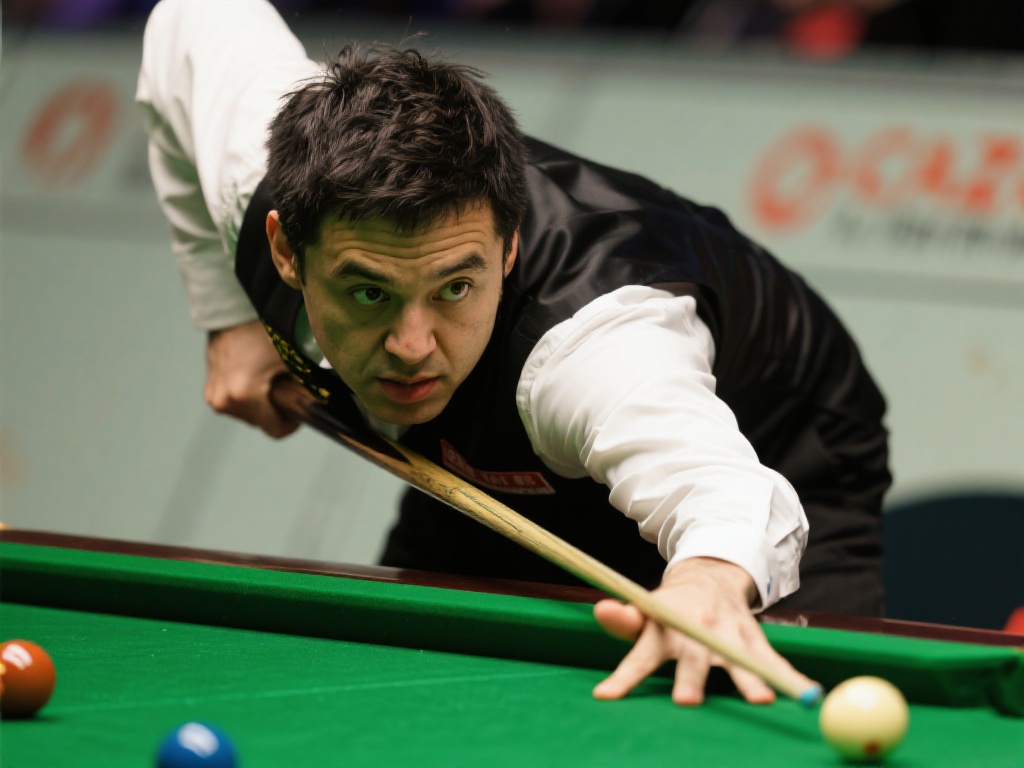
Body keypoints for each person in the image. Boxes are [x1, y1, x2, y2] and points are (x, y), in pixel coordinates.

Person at [137, 0, 890, 706]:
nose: (411, 347)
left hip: (781, 441)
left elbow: (720, 489)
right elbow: (191, 18)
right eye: (368, 292)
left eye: (453, 287)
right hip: (484, 452)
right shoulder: (257, 172)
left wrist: (710, 577)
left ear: (508, 248)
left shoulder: (592, 351)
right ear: (285, 249)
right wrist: (228, 317)